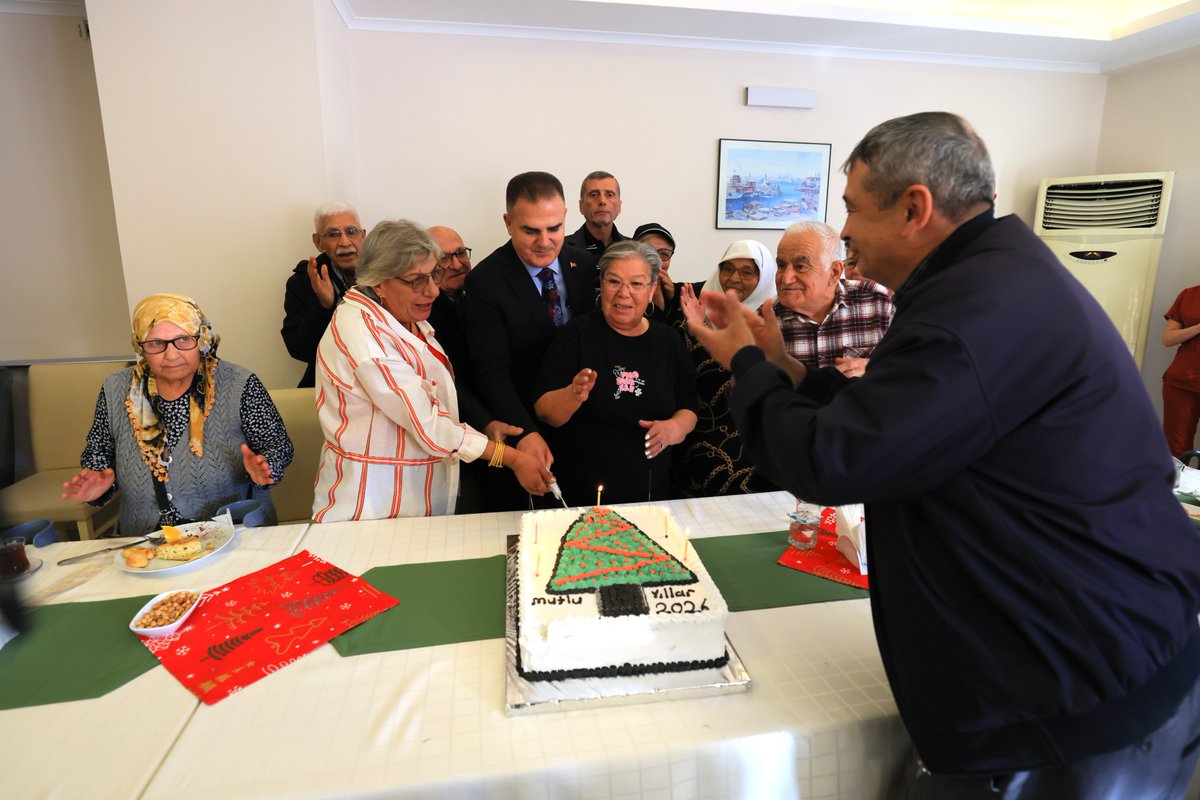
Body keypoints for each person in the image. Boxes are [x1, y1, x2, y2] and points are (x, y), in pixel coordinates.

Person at [687, 111, 1200, 797]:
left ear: (914, 208)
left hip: (1076, 693)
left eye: (851, 212)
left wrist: (747, 365)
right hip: (1097, 651)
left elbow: (835, 462)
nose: (846, 237)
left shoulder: (973, 310)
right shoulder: (993, 278)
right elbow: (901, 423)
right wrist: (788, 370)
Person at [312, 220, 551, 522]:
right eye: (417, 280)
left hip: (416, 496)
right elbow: (426, 423)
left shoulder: (400, 315)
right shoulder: (361, 334)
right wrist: (512, 458)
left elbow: (440, 391)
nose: (434, 290)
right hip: (370, 504)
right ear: (378, 282)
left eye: (433, 274)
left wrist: (485, 426)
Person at [63, 294, 293, 535]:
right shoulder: (115, 388)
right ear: (139, 347)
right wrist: (99, 480)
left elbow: (278, 445)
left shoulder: (239, 383)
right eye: (156, 343)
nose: (171, 355)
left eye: (183, 340)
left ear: (202, 340)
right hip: (144, 539)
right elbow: (98, 452)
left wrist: (267, 468)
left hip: (231, 532)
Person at [464, 171, 599, 511]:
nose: (544, 241)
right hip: (522, 428)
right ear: (509, 223)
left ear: (566, 217)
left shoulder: (586, 265)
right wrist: (526, 433)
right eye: (530, 230)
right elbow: (491, 371)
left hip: (584, 429)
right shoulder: (485, 281)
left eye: (554, 228)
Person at [533, 240, 698, 504]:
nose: (624, 293)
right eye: (614, 282)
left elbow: (689, 404)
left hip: (650, 490)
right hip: (581, 492)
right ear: (601, 283)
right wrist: (572, 395)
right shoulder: (576, 334)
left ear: (652, 288)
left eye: (636, 283)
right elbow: (544, 411)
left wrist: (675, 427)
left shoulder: (668, 340)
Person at [669, 239, 779, 497]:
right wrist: (697, 326)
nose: (734, 278)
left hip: (752, 444)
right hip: (695, 440)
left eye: (747, 271)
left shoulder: (774, 319)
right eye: (727, 268)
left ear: (764, 277)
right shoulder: (693, 309)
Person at [772, 221, 893, 379]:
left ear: (835, 272)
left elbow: (920, 365)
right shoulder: (766, 319)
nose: (786, 279)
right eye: (781, 266)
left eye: (800, 266)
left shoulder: (879, 303)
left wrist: (877, 369)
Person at [281, 202, 366, 388]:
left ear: (363, 236)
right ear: (318, 242)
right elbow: (299, 350)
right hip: (328, 385)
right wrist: (323, 307)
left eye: (351, 231)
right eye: (333, 234)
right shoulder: (303, 282)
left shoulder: (388, 276)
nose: (344, 242)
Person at [1161, 284, 1200, 457]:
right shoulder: (1189, 294)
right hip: (1182, 383)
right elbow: (1168, 339)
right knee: (1176, 448)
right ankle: (1174, 483)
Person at [564, 171, 626, 254]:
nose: (602, 201)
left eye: (610, 195)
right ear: (581, 206)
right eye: (593, 195)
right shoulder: (561, 250)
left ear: (619, 206)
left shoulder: (635, 251)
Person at [633, 222, 677, 317]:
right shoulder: (622, 293)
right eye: (649, 253)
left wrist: (673, 297)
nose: (656, 261)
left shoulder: (682, 294)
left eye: (664, 254)